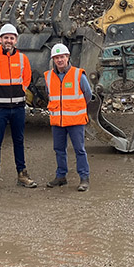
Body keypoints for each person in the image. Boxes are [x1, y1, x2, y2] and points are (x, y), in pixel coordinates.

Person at [0, 23, 36, 192]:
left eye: (12, 38)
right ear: (0, 40)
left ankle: (22, 174)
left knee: (19, 141)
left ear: (16, 41)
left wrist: (20, 91)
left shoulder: (22, 59)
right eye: (6, 38)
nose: (9, 41)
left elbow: (26, 78)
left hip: (18, 108)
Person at [44, 42, 92, 192]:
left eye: (62, 57)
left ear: (68, 57)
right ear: (53, 59)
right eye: (57, 57)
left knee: (79, 149)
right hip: (57, 120)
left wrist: (75, 108)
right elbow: (49, 95)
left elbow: (88, 95)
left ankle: (84, 178)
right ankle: (61, 176)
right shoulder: (48, 76)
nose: (60, 60)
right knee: (59, 149)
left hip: (75, 121)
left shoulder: (78, 74)